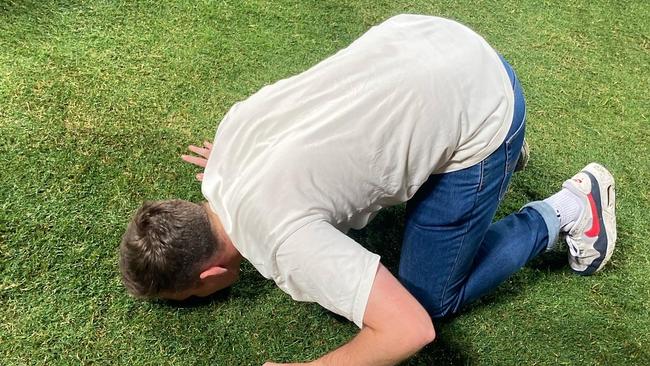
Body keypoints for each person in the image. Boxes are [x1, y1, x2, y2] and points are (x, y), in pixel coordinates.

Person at [118, 14, 617, 366]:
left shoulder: (281, 245)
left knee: (429, 299)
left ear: (209, 274)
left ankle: (571, 209)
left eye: (191, 295)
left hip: (484, 104)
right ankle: (498, 155)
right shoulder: (230, 141)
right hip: (431, 37)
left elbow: (409, 331)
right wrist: (227, 163)